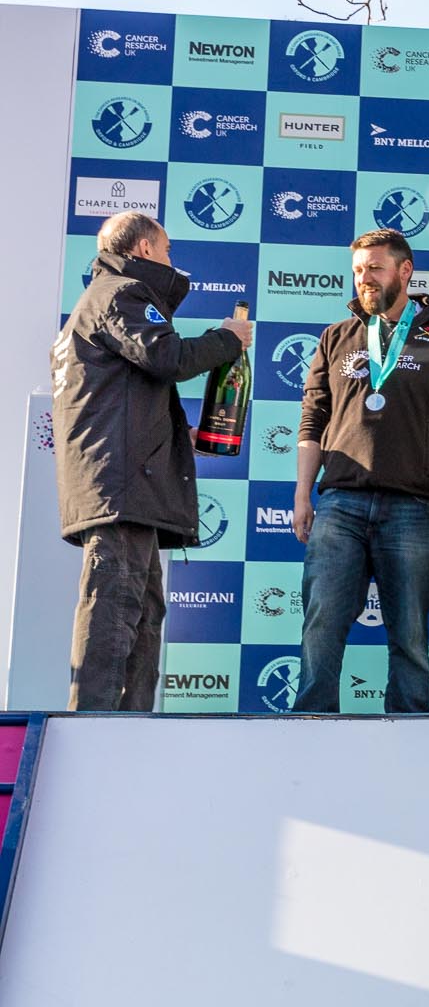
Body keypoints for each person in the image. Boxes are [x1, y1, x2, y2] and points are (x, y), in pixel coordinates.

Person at [51, 211, 252, 711]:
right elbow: (168, 359)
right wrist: (229, 339)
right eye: (165, 251)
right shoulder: (121, 293)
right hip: (121, 485)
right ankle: (94, 723)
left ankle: (130, 724)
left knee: (141, 610)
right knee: (115, 607)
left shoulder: (102, 300)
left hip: (126, 482)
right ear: (142, 250)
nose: (170, 260)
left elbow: (123, 393)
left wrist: (176, 433)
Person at [291, 229, 429, 714]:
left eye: (375, 268)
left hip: (415, 505)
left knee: (410, 634)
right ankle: (310, 725)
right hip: (339, 502)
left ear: (404, 271)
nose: (365, 279)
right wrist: (302, 493)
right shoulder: (336, 337)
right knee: (321, 625)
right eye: (359, 270)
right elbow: (313, 418)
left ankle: (411, 730)